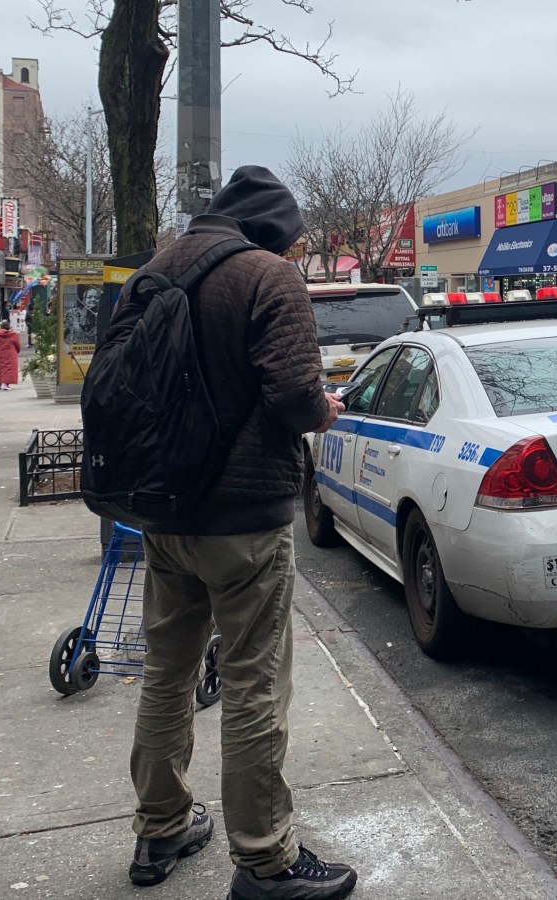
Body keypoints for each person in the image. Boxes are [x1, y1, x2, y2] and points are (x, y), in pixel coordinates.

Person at [119, 166, 355, 900]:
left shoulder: (154, 271)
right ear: (272, 230)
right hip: (243, 518)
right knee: (254, 680)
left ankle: (161, 826)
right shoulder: (267, 277)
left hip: (163, 508)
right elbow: (289, 392)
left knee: (167, 669)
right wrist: (324, 410)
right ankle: (265, 860)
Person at [0, 320, 20, 390]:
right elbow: (17, 345)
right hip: (11, 354)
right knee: (9, 368)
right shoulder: (13, 334)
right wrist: (17, 351)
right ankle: (6, 383)